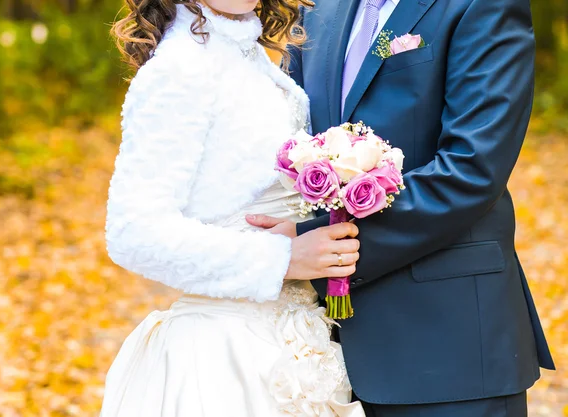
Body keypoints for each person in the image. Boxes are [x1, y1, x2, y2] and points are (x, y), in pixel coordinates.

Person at [246, 0, 556, 416]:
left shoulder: (483, 5)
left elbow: (472, 170)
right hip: (315, 363)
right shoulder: (319, 10)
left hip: (447, 346)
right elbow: (291, 140)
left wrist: (323, 246)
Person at [100, 0, 365, 416]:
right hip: (221, 359)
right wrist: (284, 258)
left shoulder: (254, 59)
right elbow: (134, 232)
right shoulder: (179, 69)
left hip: (297, 344)